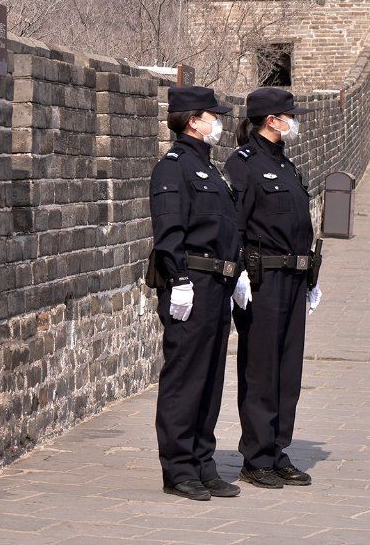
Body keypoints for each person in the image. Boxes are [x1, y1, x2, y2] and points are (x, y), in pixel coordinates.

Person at [148, 86, 241, 501]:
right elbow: (169, 230)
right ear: (192, 120)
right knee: (185, 379)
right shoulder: (173, 168)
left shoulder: (209, 169)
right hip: (191, 282)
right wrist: (179, 279)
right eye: (211, 115)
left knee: (210, 378)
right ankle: (179, 468)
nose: (217, 122)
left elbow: (226, 225)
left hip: (218, 284)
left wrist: (236, 270)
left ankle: (204, 462)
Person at [228, 87, 320, 490]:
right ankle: (256, 456)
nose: (294, 121)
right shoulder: (243, 164)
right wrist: (239, 276)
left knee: (288, 370)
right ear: (271, 120)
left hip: (293, 279)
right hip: (262, 280)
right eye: (289, 115)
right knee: (261, 368)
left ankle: (278, 450)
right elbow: (234, 223)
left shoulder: (287, 166)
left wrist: (311, 277)